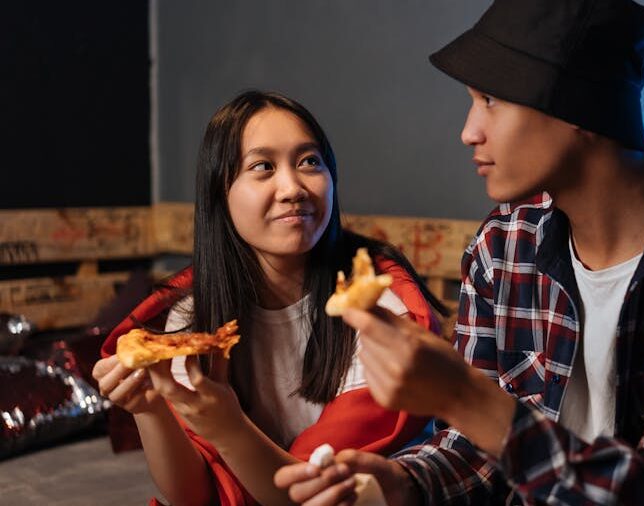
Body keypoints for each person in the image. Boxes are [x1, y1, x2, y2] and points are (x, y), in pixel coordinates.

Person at [275, 0, 644, 504]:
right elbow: (478, 453)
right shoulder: (503, 245)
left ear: (579, 106)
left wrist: (465, 398)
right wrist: (403, 482)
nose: (468, 132)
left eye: (490, 99)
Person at [92, 90, 447, 506]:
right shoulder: (193, 317)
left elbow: (318, 497)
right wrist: (149, 408)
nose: (292, 187)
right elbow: (194, 498)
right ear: (219, 195)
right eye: (262, 166)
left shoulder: (378, 307)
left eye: (309, 162)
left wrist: (228, 428)